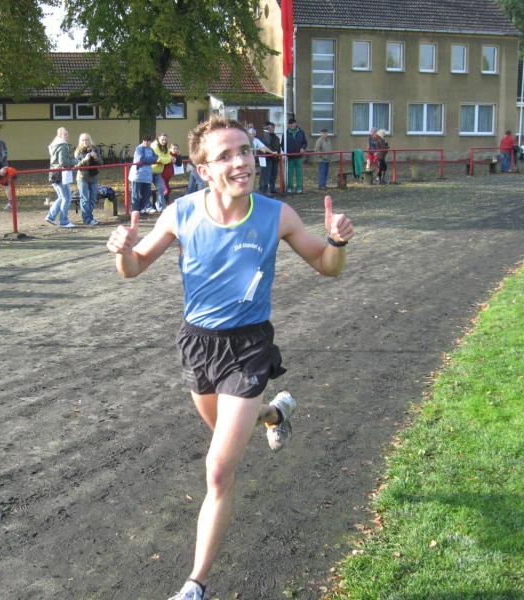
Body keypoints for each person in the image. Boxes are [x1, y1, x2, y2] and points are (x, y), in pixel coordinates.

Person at [106, 116, 354, 600]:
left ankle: (194, 585)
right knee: (230, 426)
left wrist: (337, 242)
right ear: (203, 171)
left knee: (219, 468)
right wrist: (123, 249)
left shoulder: (276, 215)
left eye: (245, 151)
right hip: (198, 344)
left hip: (249, 346)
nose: (241, 162)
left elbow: (328, 267)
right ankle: (274, 412)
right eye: (225, 156)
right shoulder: (180, 213)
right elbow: (132, 269)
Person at [46, 127, 79, 228]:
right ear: (59, 135)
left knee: (62, 197)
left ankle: (51, 216)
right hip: (60, 174)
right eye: (65, 134)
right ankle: (64, 221)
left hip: (53, 173)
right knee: (67, 197)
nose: (67, 136)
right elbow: (63, 162)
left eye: (67, 134)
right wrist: (76, 161)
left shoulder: (54, 145)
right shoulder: (63, 145)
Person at [75, 133, 103, 225]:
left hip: (93, 176)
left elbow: (101, 162)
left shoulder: (95, 149)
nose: (85, 141)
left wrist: (95, 157)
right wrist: (85, 160)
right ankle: (87, 219)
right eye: (83, 140)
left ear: (90, 140)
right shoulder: (78, 151)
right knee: (85, 199)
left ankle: (89, 217)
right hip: (82, 177)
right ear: (80, 141)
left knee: (93, 198)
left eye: (87, 139)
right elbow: (76, 165)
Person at [130, 135, 158, 214]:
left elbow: (156, 158)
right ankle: (135, 210)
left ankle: (142, 208)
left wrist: (150, 160)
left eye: (147, 141)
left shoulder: (151, 149)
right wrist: (151, 160)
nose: (145, 142)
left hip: (147, 175)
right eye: (144, 140)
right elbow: (141, 159)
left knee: (146, 193)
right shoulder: (139, 148)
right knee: (136, 194)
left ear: (150, 142)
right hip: (137, 175)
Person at [285, 118, 307, 193]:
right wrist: (286, 152)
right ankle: (289, 187)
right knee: (289, 174)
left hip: (299, 157)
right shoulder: (286, 133)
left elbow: (305, 142)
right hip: (290, 157)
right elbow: (283, 144)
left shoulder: (301, 132)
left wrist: (303, 148)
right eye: (290, 124)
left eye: (292, 123)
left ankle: (299, 188)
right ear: (288, 125)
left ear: (295, 124)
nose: (291, 125)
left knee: (299, 173)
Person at [151, 133, 173, 212]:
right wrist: (166, 160)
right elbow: (158, 158)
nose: (164, 141)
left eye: (165, 140)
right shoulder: (154, 146)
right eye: (162, 139)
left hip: (158, 173)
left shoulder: (165, 148)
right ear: (158, 139)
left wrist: (165, 159)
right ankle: (143, 208)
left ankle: (161, 207)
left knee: (161, 188)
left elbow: (169, 157)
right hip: (150, 172)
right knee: (145, 190)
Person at [258, 122, 281, 194]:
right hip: (266, 157)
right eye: (271, 127)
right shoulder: (264, 135)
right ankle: (263, 189)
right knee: (265, 174)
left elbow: (278, 146)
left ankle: (272, 188)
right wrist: (273, 152)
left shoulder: (276, 137)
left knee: (273, 174)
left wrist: (278, 154)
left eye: (273, 127)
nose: (272, 129)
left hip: (274, 158)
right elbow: (265, 146)